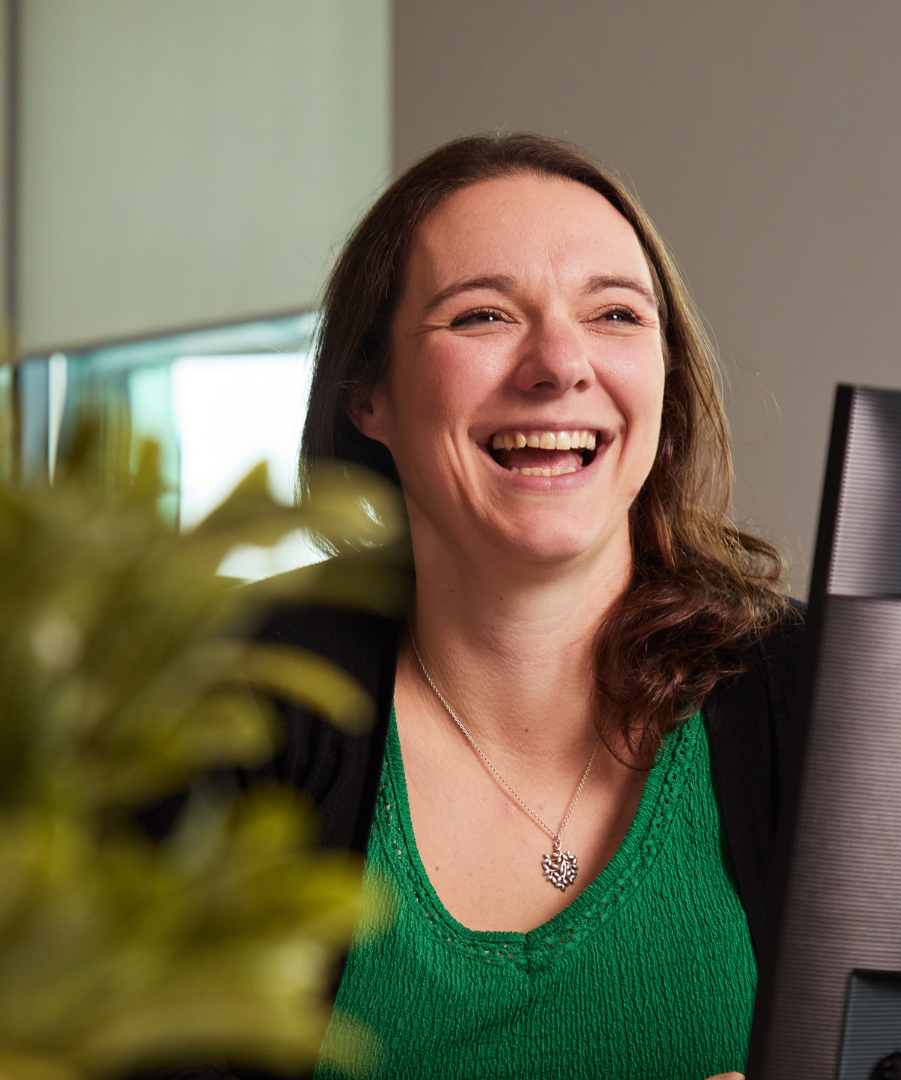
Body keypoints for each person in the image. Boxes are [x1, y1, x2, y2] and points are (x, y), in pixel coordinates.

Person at [256, 133, 804, 1080]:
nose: (560, 364)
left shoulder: (819, 693)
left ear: (665, 388)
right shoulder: (239, 696)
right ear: (367, 394)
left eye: (616, 315)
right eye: (481, 316)